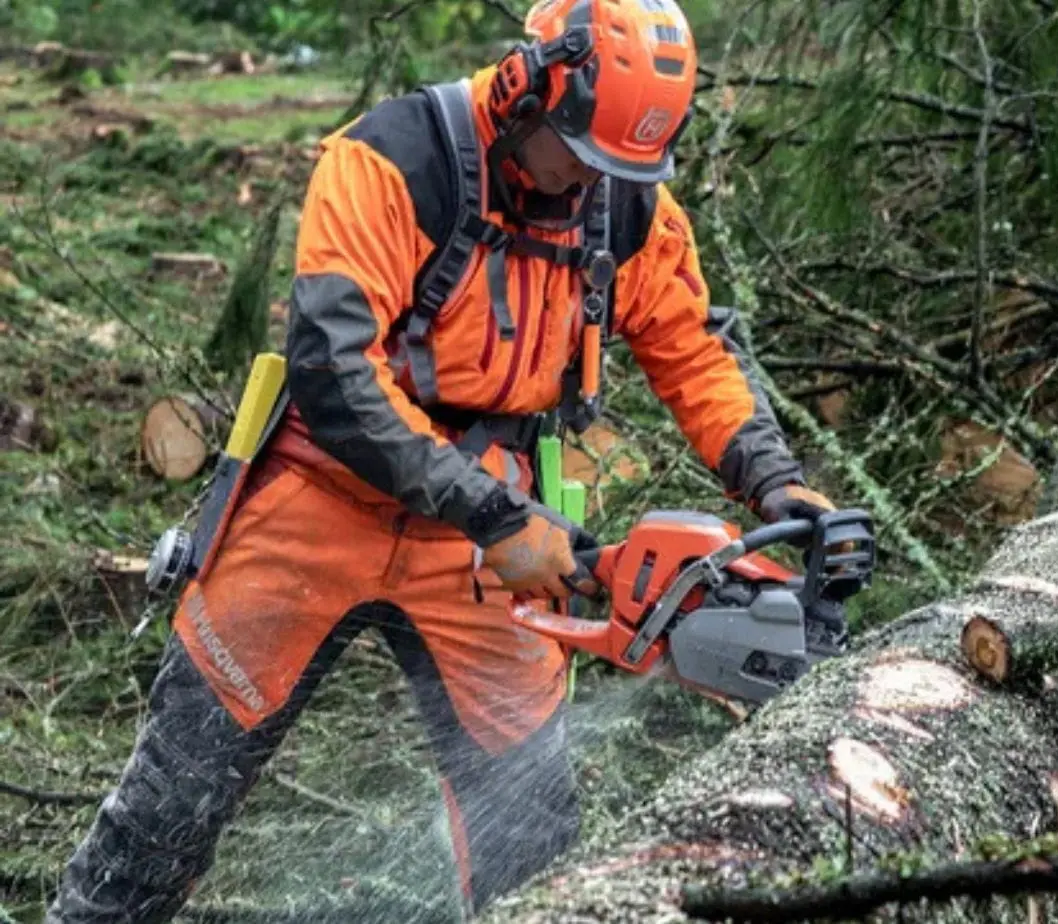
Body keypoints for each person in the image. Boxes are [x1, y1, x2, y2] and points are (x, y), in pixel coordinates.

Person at [47, 1, 840, 920]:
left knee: (532, 830)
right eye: (579, 154)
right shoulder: (391, 160)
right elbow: (335, 373)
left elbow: (693, 345)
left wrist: (772, 477)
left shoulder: (624, 202)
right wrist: (499, 519)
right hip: (320, 499)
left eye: (615, 166)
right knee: (171, 798)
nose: (589, 182)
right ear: (527, 88)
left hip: (484, 527)